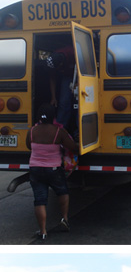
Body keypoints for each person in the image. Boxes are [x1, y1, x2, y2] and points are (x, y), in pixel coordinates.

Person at [27, 103, 77, 241]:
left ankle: (42, 231)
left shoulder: (32, 131)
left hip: (35, 169)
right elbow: (72, 147)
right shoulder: (58, 132)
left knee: (40, 200)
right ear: (53, 116)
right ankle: (65, 219)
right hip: (53, 169)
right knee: (62, 192)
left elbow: (28, 146)